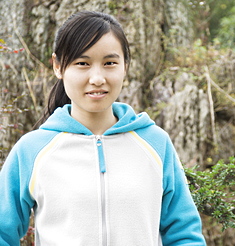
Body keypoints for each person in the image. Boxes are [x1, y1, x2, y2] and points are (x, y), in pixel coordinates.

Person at [0, 11, 206, 245]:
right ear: (58, 66)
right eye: (82, 63)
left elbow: (184, 234)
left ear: (125, 66)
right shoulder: (32, 150)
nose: (97, 78)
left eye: (109, 63)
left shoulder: (155, 143)